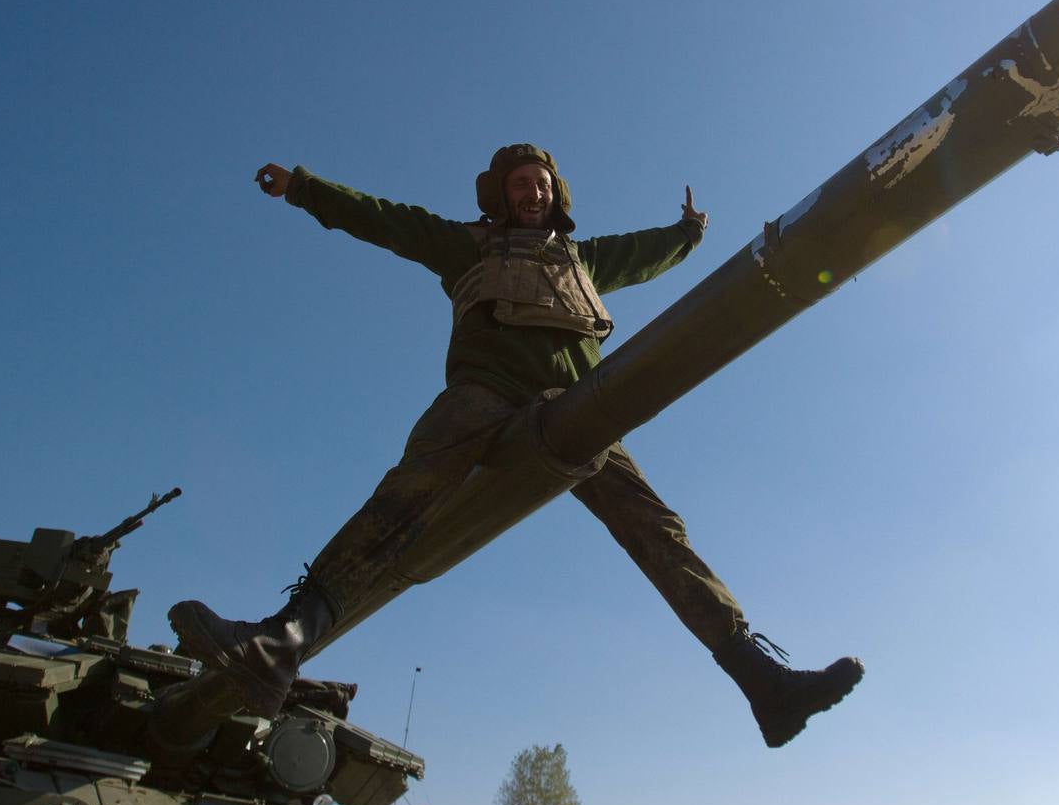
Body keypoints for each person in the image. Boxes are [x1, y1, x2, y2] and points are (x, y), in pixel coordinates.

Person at [169, 144, 862, 748]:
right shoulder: (467, 246)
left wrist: (688, 232)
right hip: (486, 394)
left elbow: (649, 253)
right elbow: (384, 219)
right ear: (501, 197)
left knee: (658, 528)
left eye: (540, 184)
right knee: (406, 495)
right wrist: (303, 188)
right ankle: (282, 640)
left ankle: (762, 681)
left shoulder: (586, 259)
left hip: (581, 404)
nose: (531, 193)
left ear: (556, 195)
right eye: (519, 185)